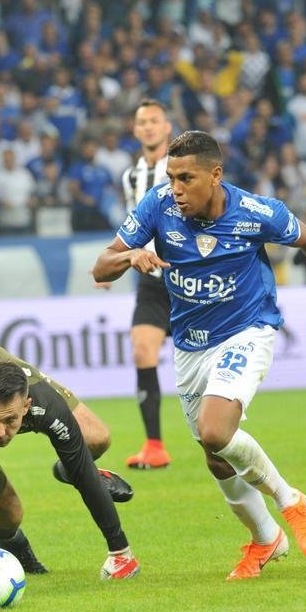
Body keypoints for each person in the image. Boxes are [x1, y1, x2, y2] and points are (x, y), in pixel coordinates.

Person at [92, 130, 306, 580]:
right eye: (171, 177)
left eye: (186, 178)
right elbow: (100, 267)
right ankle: (266, 539)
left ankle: (291, 502)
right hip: (189, 345)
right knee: (216, 455)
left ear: (215, 175)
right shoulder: (157, 206)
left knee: (214, 429)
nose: (176, 188)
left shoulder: (255, 212)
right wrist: (130, 259)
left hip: (248, 330)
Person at [0, 334, 140, 595]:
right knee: (8, 511)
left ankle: (69, 468)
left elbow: (84, 467)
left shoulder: (44, 401)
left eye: (10, 421)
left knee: (95, 438)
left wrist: (120, 552)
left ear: (27, 405)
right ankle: (21, 554)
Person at [118, 98, 174, 470]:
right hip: (152, 282)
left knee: (202, 364)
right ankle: (154, 446)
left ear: (167, 126)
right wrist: (120, 260)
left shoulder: (184, 167)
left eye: (155, 120)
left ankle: (223, 437)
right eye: (143, 122)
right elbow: (133, 226)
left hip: (189, 278)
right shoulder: (131, 178)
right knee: (142, 351)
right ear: (136, 130)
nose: (149, 127)